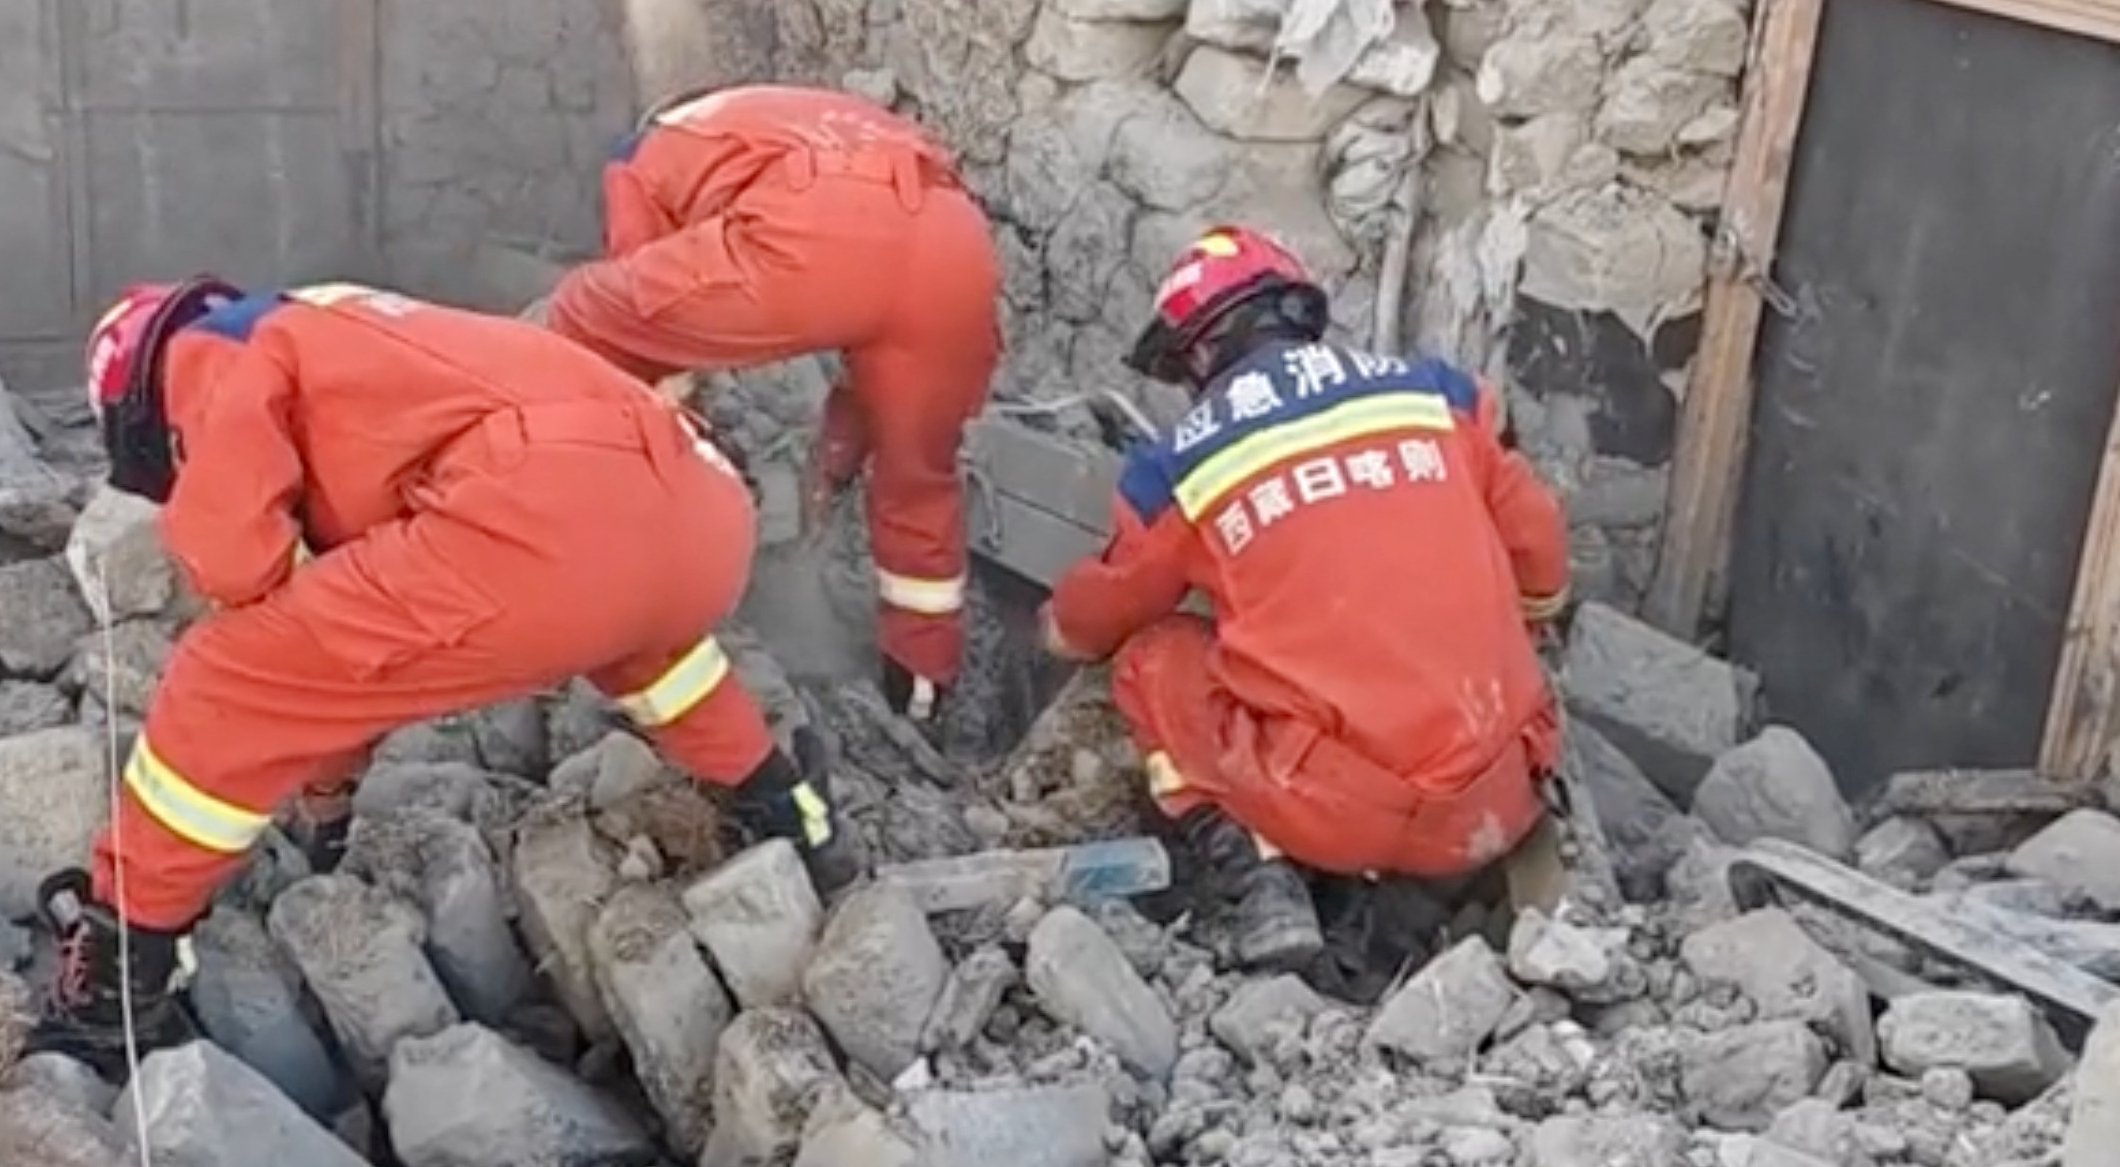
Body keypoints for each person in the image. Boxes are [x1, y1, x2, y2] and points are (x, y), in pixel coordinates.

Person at [36, 275, 859, 1046]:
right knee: (654, 655)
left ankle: (118, 970)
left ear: (134, 411)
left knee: (224, 677)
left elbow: (240, 574)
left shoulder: (209, 349)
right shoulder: (353, 333)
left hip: (545, 515)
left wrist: (229, 583)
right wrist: (327, 798)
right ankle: (789, 811)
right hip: (698, 511)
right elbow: (336, 644)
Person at [1042, 227, 1572, 970]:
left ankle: (1258, 875)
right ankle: (1426, 896)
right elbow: (1538, 537)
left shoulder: (1185, 464)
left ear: (1197, 354)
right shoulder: (1440, 395)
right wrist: (1534, 618)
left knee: (1151, 661)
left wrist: (1058, 628)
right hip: (1501, 796)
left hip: (1336, 812)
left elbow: (1097, 619)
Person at [537, 85, 1003, 726]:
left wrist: (678, 408)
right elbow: (875, 321)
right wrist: (833, 463)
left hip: (813, 235)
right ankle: (921, 685)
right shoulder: (809, 116)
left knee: (586, 308)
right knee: (918, 472)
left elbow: (642, 301)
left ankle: (590, 543)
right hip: (954, 240)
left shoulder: (646, 148)